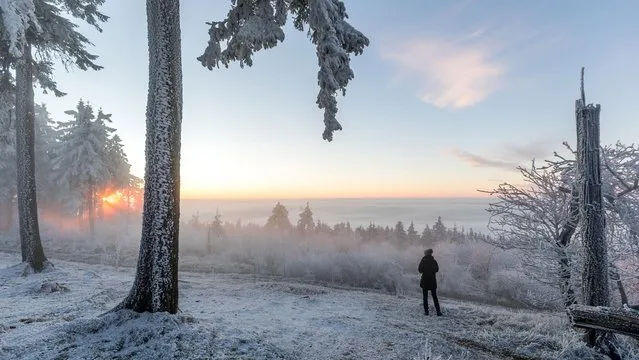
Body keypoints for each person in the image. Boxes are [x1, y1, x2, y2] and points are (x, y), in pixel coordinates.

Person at [418, 248, 442, 316]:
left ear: (426, 253)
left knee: (425, 297)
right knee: (434, 296)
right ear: (431, 253)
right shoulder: (434, 261)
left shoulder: (423, 260)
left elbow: (420, 270)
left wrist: (425, 270)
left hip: (425, 280)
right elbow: (437, 269)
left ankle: (426, 312)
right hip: (432, 280)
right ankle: (438, 311)